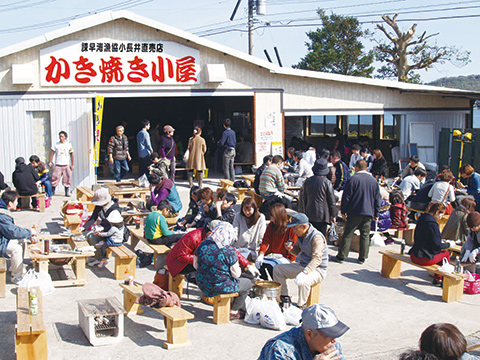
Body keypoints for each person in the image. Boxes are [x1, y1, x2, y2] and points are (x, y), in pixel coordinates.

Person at [194, 222, 253, 319]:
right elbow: (236, 274)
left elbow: (195, 265)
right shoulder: (228, 250)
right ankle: (234, 311)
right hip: (220, 287)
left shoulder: (202, 245)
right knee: (247, 284)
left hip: (202, 284)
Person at [273, 213, 328, 309]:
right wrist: (290, 248)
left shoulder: (316, 237)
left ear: (303, 226)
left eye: (295, 228)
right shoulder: (302, 234)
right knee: (278, 269)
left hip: (317, 269)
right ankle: (284, 297)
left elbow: (317, 259)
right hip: (302, 265)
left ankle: (301, 305)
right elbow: (297, 251)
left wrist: (306, 272)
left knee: (303, 281)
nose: (293, 231)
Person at [258, 304, 348, 360]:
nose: (334, 340)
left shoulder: (331, 344)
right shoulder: (281, 351)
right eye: (328, 335)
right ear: (309, 335)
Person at [334, 159, 381, 264]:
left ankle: (342, 256)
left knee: (348, 234)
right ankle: (362, 257)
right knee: (365, 235)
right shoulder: (373, 181)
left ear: (357, 167)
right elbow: (377, 199)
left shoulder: (353, 179)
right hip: (368, 212)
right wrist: (376, 213)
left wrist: (343, 210)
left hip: (354, 211)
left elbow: (346, 197)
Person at [409, 202, 453, 285]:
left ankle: (438, 279)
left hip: (414, 255)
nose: (441, 217)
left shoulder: (421, 219)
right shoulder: (433, 224)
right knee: (445, 254)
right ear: (436, 212)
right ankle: (442, 279)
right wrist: (449, 244)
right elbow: (437, 246)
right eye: (441, 214)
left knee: (441, 253)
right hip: (423, 259)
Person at [79, 188, 123, 266]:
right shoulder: (99, 206)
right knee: (89, 236)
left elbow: (114, 226)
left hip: (114, 234)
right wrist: (84, 227)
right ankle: (96, 256)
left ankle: (100, 259)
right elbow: (93, 217)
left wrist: (102, 230)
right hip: (105, 230)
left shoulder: (114, 209)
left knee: (94, 238)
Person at [256, 203, 297, 280]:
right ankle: (265, 283)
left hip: (284, 257)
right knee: (259, 265)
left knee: (272, 268)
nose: (271, 219)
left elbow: (294, 246)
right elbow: (265, 241)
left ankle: (277, 286)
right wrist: (261, 254)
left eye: (273, 217)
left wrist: (292, 261)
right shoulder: (271, 225)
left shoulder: (290, 228)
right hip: (271, 255)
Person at [0, 190, 33, 284]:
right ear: (10, 203)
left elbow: (12, 230)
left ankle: (15, 267)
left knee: (22, 239)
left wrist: (26, 233)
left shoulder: (3, 212)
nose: (17, 203)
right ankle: (16, 277)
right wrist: (29, 232)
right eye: (16, 201)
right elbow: (12, 232)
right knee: (16, 248)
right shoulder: (2, 215)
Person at [299, 158, 336, 238]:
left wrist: (304, 211)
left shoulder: (308, 181)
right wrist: (333, 215)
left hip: (310, 212)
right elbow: (332, 201)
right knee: (321, 236)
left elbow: (304, 198)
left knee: (311, 236)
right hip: (323, 215)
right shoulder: (327, 182)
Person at [48, 131, 74, 196]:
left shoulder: (68, 145)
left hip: (66, 164)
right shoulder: (56, 145)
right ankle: (53, 190)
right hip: (58, 164)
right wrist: (50, 161)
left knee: (67, 178)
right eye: (60, 136)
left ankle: (67, 191)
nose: (61, 138)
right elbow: (52, 153)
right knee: (55, 177)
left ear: (65, 137)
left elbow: (72, 154)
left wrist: (72, 164)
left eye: (62, 136)